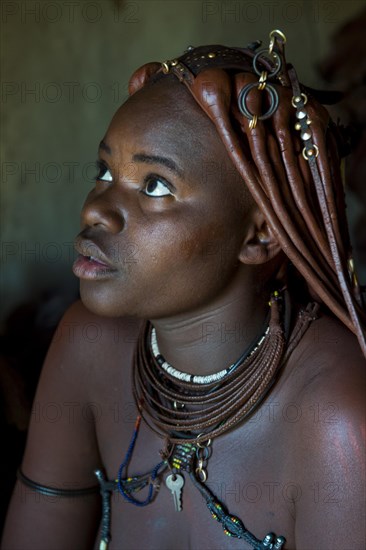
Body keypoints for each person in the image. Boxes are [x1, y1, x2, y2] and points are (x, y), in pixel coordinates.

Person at [2, 30, 365, 550]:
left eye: (154, 186)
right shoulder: (89, 347)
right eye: (104, 171)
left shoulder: (336, 418)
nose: (95, 209)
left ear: (259, 234)